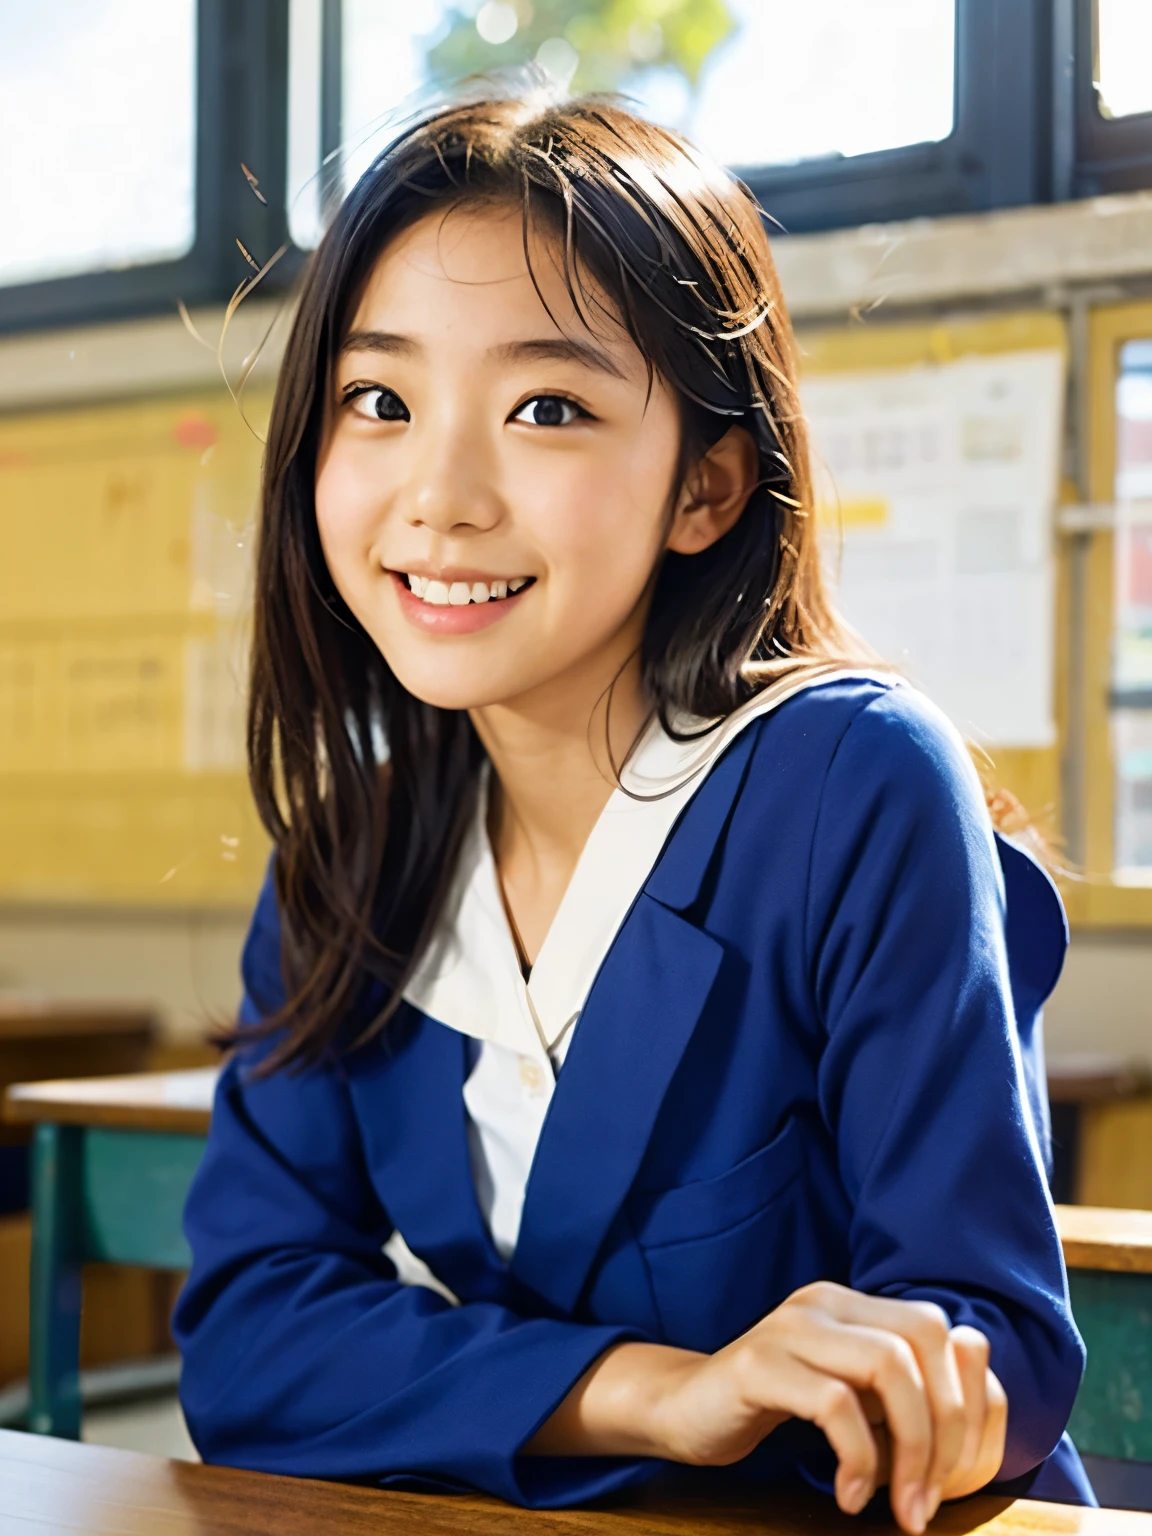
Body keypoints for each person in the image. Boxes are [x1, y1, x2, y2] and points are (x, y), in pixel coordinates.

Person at [173, 82, 1094, 1532]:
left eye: (547, 407)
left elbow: (995, 1347)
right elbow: (248, 1339)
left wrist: (882, 1381)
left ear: (707, 487)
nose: (441, 494)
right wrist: (659, 1386)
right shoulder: (352, 854)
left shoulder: (849, 785)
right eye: (380, 401)